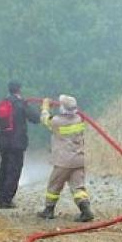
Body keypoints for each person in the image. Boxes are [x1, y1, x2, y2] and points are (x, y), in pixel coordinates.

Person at [36, 94, 94, 222]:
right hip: (78, 159)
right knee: (78, 187)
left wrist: (45, 106)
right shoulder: (79, 119)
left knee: (54, 185)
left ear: (62, 108)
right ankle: (86, 211)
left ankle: (48, 210)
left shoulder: (57, 121)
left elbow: (45, 119)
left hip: (64, 161)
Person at [0, 80, 41, 208]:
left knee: (3, 169)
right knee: (13, 171)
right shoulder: (21, 103)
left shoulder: (4, 102)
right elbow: (36, 118)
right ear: (19, 89)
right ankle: (6, 200)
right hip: (16, 143)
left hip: (3, 142)